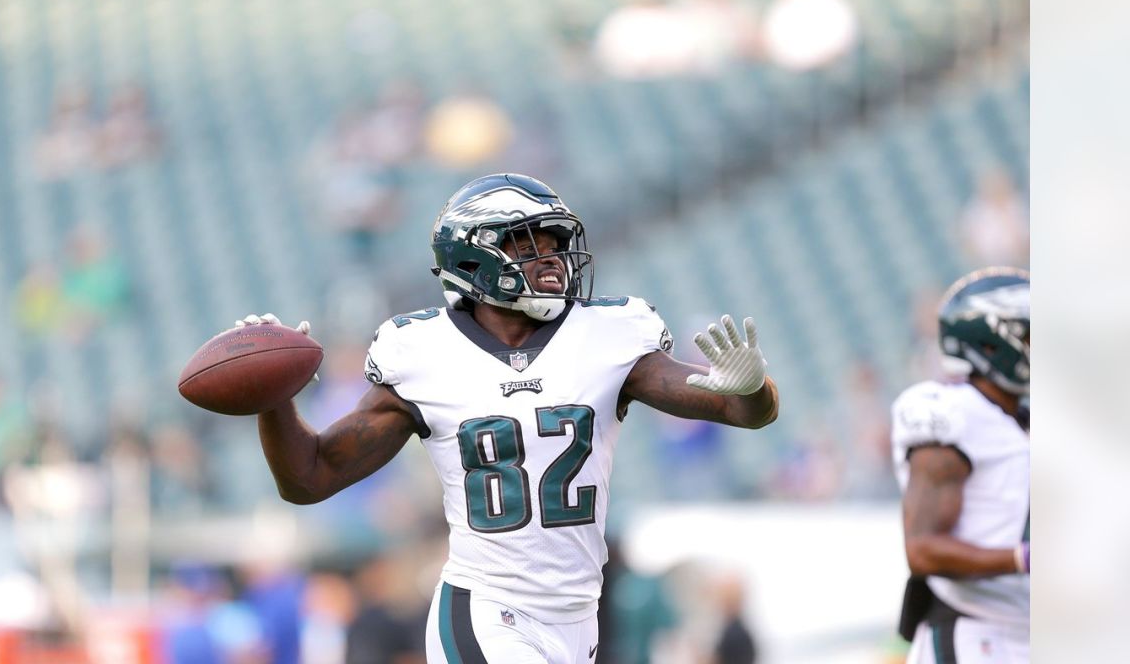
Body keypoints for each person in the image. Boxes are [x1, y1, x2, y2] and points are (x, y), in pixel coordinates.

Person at [235, 173, 779, 663]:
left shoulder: (609, 336)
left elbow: (741, 409)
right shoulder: (421, 351)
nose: (550, 258)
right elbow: (308, 478)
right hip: (484, 608)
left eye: (554, 244)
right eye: (528, 243)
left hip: (577, 618)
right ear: (474, 259)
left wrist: (753, 388)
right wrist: (272, 398)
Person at [890, 267, 1030, 663]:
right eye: (1031, 336)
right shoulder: (953, 414)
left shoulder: (1027, 423)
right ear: (990, 345)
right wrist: (1022, 558)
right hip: (976, 634)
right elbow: (923, 550)